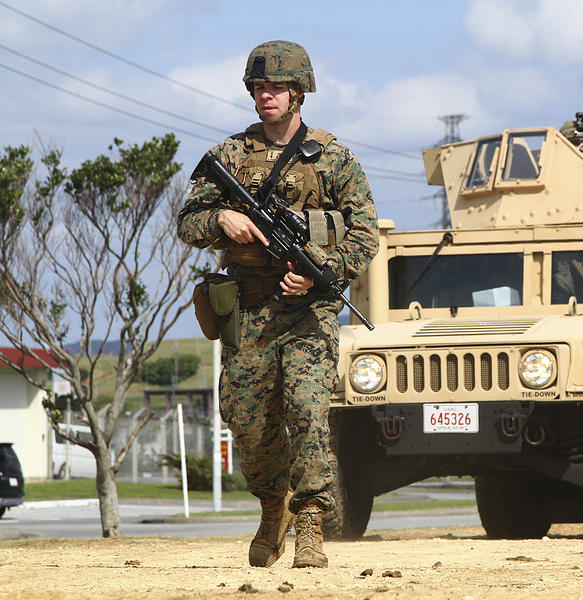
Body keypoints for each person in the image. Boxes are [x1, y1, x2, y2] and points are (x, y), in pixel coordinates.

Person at [177, 40, 379, 567]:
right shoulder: (230, 156)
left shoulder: (332, 157)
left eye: (277, 88)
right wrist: (221, 219)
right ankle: (274, 506)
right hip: (246, 307)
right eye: (259, 87)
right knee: (245, 415)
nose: (267, 96)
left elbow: (365, 234)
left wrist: (322, 275)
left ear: (298, 93)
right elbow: (188, 220)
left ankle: (311, 521)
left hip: (308, 311)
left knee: (307, 408)